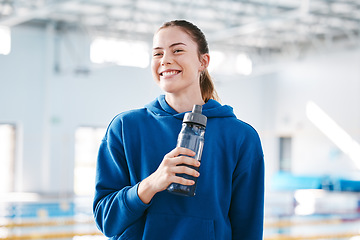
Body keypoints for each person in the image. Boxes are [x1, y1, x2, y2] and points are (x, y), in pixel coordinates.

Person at [93, 20, 265, 240]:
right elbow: (106, 220)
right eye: (157, 54)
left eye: (178, 50)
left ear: (203, 61)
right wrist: (151, 184)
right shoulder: (125, 128)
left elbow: (248, 229)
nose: (165, 60)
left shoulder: (240, 137)